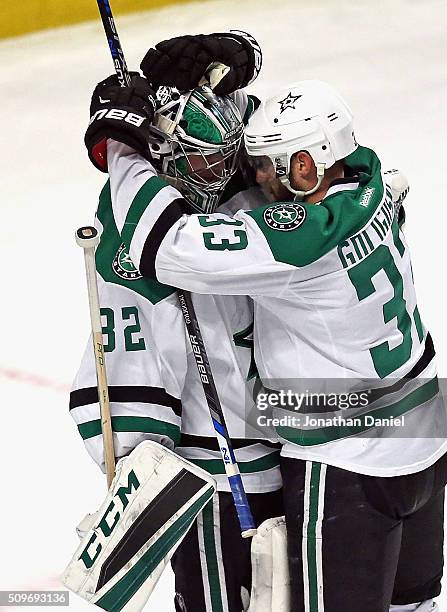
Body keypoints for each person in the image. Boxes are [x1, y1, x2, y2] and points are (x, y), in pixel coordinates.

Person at [73, 31, 285, 612]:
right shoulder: (135, 241)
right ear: (165, 154)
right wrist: (119, 139)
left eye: (225, 154)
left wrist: (234, 57)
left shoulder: (246, 194)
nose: (217, 168)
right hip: (219, 482)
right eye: (199, 157)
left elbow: (269, 139)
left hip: (296, 449)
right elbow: (123, 382)